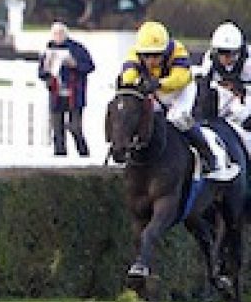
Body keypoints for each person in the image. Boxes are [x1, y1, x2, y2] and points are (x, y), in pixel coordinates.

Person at [118, 20, 240, 182]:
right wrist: (132, 84)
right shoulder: (134, 53)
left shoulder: (178, 50)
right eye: (147, 56)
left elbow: (180, 78)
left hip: (181, 90)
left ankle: (210, 157)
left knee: (178, 119)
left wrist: (160, 83)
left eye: (157, 55)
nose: (152, 60)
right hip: (155, 89)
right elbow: (128, 74)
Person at [39, 22, 95, 157]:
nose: (57, 36)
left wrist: (75, 64)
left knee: (75, 127)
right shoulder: (49, 49)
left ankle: (83, 153)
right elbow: (41, 73)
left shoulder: (77, 48)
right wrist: (47, 68)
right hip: (56, 94)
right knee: (57, 128)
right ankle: (60, 156)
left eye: (60, 33)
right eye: (55, 34)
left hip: (74, 94)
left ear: (65, 34)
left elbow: (90, 66)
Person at [198, 21, 251, 152]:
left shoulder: (249, 63)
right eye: (222, 52)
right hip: (225, 95)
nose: (227, 58)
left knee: (243, 117)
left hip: (246, 94)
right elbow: (205, 87)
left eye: (232, 53)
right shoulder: (210, 59)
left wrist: (240, 89)